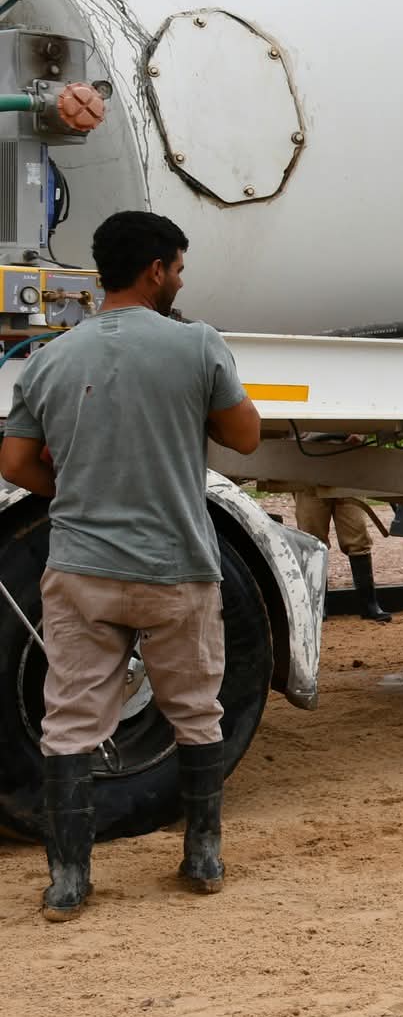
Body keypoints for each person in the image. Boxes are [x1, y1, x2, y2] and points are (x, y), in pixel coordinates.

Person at [0, 211, 262, 921]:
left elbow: (16, 462)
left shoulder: (52, 357)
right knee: (196, 713)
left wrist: (81, 490)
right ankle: (202, 854)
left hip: (83, 569)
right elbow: (244, 433)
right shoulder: (196, 345)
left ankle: (69, 879)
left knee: (71, 722)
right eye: (177, 268)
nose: (179, 280)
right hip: (176, 569)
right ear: (155, 271)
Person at [293, 492, 393, 622]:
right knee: (312, 542)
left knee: (358, 539)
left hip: (348, 481)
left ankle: (369, 605)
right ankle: (318, 606)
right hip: (309, 482)